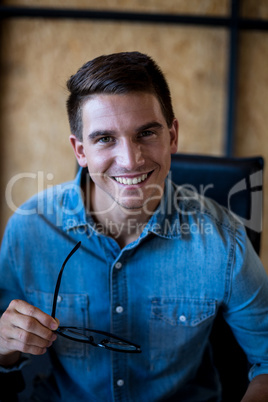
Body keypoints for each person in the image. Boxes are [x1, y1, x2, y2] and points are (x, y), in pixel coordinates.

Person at [0, 51, 268, 402]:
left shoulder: (224, 239)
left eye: (146, 133)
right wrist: (4, 346)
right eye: (105, 139)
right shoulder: (29, 230)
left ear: (172, 136)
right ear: (80, 150)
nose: (130, 160)